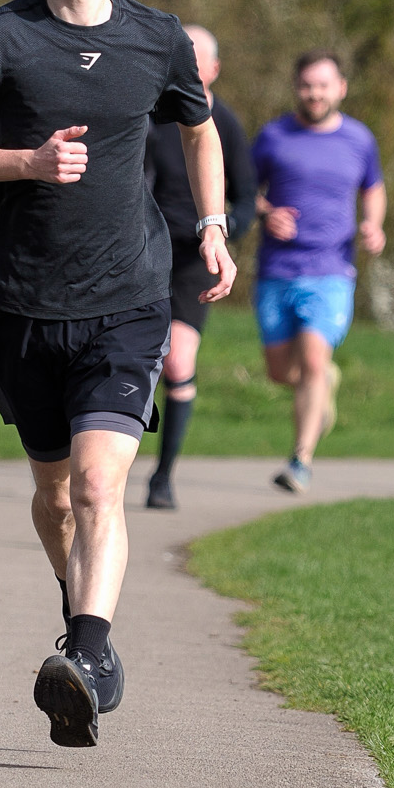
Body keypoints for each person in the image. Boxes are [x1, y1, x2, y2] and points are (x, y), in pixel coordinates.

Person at [0, 0, 235, 748]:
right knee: (56, 497)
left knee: (101, 484)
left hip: (129, 296)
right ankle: (81, 619)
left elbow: (199, 128)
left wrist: (212, 224)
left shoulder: (158, 37)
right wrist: (26, 162)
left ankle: (90, 657)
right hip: (27, 305)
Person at [251, 49, 386, 493]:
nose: (315, 93)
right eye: (307, 85)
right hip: (277, 269)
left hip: (331, 268)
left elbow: (373, 187)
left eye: (323, 85)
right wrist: (266, 212)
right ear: (296, 88)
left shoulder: (359, 139)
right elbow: (241, 189)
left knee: (312, 358)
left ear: (340, 88)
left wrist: (374, 224)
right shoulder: (273, 136)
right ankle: (323, 383)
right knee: (280, 373)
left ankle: (300, 461)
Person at [141, 25, 255, 509]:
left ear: (213, 69)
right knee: (132, 358)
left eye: (193, 57)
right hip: (141, 249)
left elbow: (246, 197)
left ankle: (163, 476)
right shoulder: (147, 113)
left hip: (195, 256)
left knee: (178, 361)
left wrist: (227, 227)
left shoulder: (224, 124)